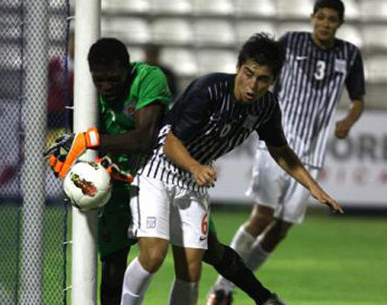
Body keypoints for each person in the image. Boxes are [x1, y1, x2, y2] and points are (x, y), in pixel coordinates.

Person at [46, 37, 288, 305]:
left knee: (207, 252)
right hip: (114, 183)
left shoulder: (148, 79)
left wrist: (88, 140)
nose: (106, 87)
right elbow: (77, 141)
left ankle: (264, 298)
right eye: (99, 80)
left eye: (113, 79)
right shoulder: (83, 92)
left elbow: (145, 139)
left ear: (129, 68)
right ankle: (265, 299)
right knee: (115, 262)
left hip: (161, 172)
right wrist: (76, 167)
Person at [120, 32, 343, 305]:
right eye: (248, 74)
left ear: (272, 81)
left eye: (262, 79)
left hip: (192, 182)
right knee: (154, 255)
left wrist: (314, 188)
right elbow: (169, 142)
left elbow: (281, 151)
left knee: (191, 269)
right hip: (158, 168)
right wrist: (195, 166)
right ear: (238, 67)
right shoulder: (210, 89)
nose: (252, 85)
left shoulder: (266, 108)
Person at [207, 1, 365, 304]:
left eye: (332, 19)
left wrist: (348, 119)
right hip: (277, 142)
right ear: (312, 18)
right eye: (321, 17)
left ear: (340, 23)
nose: (325, 23)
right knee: (262, 216)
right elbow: (264, 75)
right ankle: (221, 288)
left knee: (281, 229)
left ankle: (233, 285)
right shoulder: (290, 42)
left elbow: (357, 98)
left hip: (313, 153)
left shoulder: (349, 54)